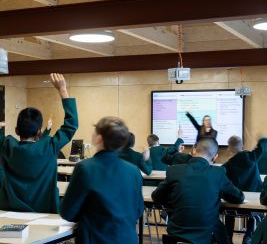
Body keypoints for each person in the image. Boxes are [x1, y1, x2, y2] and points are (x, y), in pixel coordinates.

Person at [0, 73, 78, 213]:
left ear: (16, 130)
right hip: (45, 213)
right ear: (39, 132)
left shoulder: (6, 146)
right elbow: (71, 125)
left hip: (9, 213)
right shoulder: (49, 145)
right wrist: (63, 90)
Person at [60, 116, 144, 244]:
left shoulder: (85, 168)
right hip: (128, 239)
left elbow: (68, 212)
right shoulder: (134, 171)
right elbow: (138, 210)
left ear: (99, 138)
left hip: (95, 239)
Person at [152, 138, 244, 244]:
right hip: (206, 237)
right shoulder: (218, 173)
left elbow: (156, 197)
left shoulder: (174, 170)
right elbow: (238, 197)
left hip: (175, 237)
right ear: (215, 157)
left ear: (194, 151)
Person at [223, 135, 267, 244]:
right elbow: (263, 144)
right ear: (242, 146)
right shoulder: (251, 156)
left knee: (229, 212)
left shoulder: (227, 165)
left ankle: (228, 236)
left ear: (229, 149)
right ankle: (248, 236)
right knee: (258, 213)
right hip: (255, 204)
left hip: (235, 205)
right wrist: (260, 139)